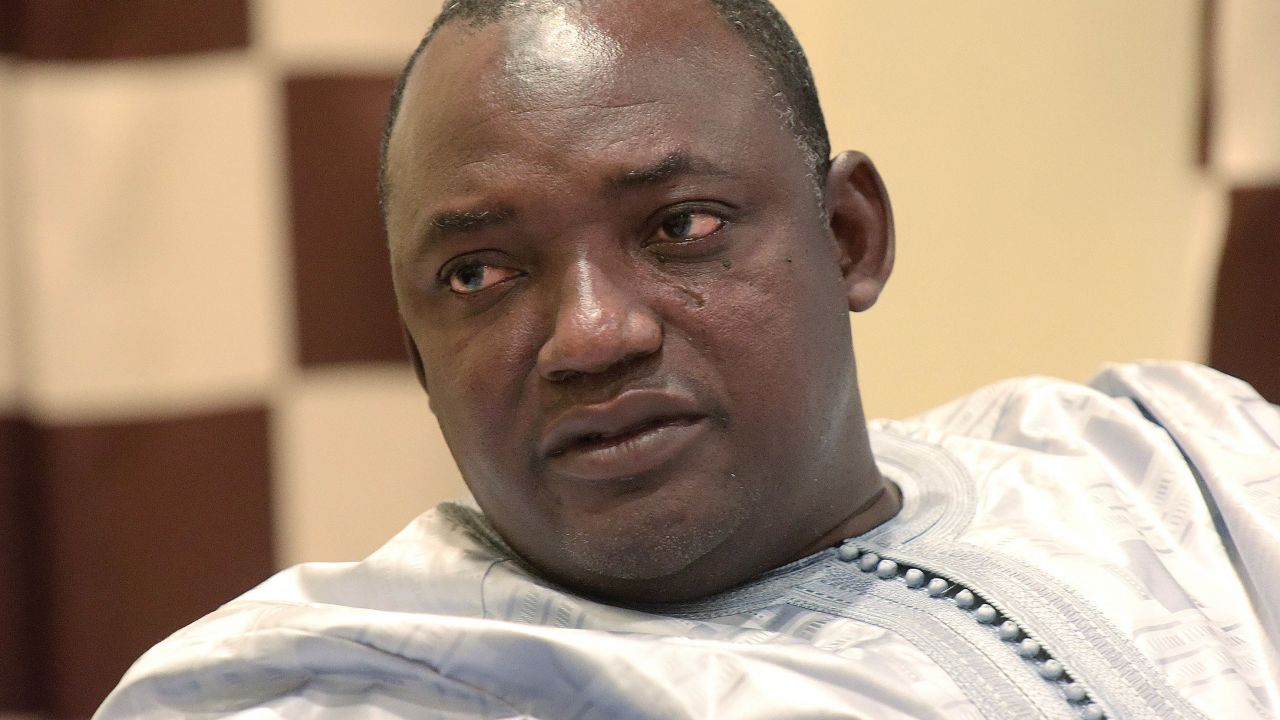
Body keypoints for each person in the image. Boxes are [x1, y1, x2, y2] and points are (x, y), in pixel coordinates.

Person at [96, 0, 1280, 717]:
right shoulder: (335, 684)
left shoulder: (1174, 465)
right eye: (479, 275)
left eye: (681, 225)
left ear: (846, 236)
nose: (591, 334)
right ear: (417, 355)